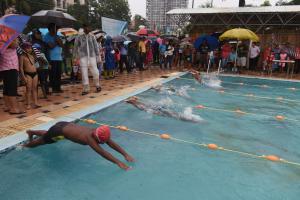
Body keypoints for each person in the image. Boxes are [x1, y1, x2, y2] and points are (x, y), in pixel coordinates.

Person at [24, 122, 134, 170]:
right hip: (58, 131)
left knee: (48, 135)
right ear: (97, 138)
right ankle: (26, 146)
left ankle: (32, 132)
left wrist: (125, 154)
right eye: (101, 142)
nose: (103, 143)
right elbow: (103, 153)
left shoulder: (96, 131)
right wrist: (118, 162)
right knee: (43, 141)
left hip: (64, 125)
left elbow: (110, 142)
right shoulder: (89, 139)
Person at [126, 96, 201, 123]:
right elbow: (188, 113)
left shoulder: (182, 116)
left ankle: (134, 101)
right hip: (165, 112)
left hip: (166, 111)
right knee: (146, 109)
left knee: (148, 107)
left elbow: (188, 110)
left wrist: (190, 108)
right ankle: (132, 102)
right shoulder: (181, 117)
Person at [73, 24, 101, 95]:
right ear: (84, 28)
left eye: (90, 27)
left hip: (92, 57)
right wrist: (75, 58)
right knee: (84, 74)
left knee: (95, 72)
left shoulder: (92, 36)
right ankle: (86, 89)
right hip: (83, 57)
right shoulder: (79, 37)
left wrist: (98, 57)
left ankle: (97, 85)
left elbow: (96, 47)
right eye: (87, 27)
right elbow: (75, 47)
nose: (89, 29)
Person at [0, 39, 23, 114]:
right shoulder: (7, 39)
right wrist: (15, 39)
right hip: (10, 67)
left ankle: (7, 106)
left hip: (4, 67)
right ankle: (14, 109)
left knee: (6, 88)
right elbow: (15, 45)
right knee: (12, 88)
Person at [43, 23, 64, 93]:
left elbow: (62, 45)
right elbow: (50, 46)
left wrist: (58, 40)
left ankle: (58, 88)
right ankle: (53, 88)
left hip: (59, 58)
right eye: (53, 28)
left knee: (58, 74)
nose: (55, 30)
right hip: (51, 58)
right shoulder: (46, 36)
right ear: (50, 29)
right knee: (53, 74)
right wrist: (56, 41)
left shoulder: (57, 36)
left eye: (56, 28)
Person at [19, 42, 40, 109]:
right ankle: (28, 104)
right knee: (28, 89)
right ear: (24, 49)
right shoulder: (22, 56)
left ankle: (36, 102)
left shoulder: (32, 56)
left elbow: (35, 65)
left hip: (35, 74)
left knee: (34, 89)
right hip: (28, 74)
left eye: (30, 48)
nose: (30, 49)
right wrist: (23, 77)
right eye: (28, 48)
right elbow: (21, 68)